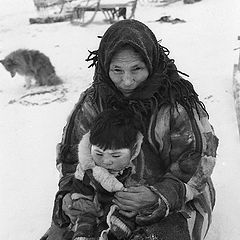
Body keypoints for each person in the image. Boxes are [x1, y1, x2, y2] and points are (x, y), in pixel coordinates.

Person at [40, 19, 219, 240]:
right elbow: (72, 156)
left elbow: (196, 160)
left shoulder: (176, 103)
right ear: (105, 66)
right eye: (117, 70)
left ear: (151, 63)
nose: (126, 81)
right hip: (105, 194)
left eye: (137, 69)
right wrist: (70, 195)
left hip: (173, 196)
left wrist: (158, 196)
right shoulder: (93, 101)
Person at [63, 108, 145, 240]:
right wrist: (83, 207)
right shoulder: (87, 170)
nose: (106, 161)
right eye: (99, 154)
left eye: (116, 155)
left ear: (133, 150)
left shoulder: (137, 169)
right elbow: (81, 192)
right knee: (82, 225)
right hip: (93, 211)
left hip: (125, 213)